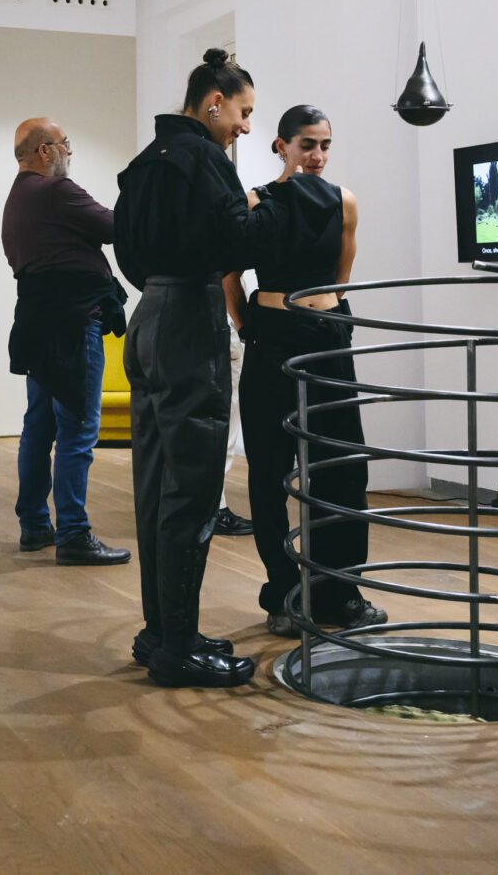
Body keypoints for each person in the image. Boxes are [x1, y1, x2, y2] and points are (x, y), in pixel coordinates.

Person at [114, 48, 307, 689]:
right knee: (193, 490)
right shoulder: (205, 159)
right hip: (189, 323)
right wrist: (274, 201)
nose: (247, 127)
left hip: (149, 314)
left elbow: (128, 251)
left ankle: (160, 632)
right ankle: (180, 649)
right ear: (215, 103)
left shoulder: (146, 161)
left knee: (154, 485)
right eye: (244, 112)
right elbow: (239, 243)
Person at [223, 106, 388, 638]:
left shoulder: (344, 202)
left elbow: (340, 278)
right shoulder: (256, 202)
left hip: (328, 339)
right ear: (281, 146)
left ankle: (341, 592)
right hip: (272, 338)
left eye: (325, 145)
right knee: (271, 471)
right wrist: (247, 325)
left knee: (344, 468)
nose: (317, 155)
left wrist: (327, 319)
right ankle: (283, 593)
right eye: (307, 145)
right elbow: (229, 273)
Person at [3, 118, 132, 567]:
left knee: (39, 427)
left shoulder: (17, 197)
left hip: (37, 325)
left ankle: (35, 524)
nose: (70, 151)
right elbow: (116, 226)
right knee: (77, 430)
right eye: (65, 144)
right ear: (45, 150)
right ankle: (74, 533)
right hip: (73, 326)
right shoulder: (57, 192)